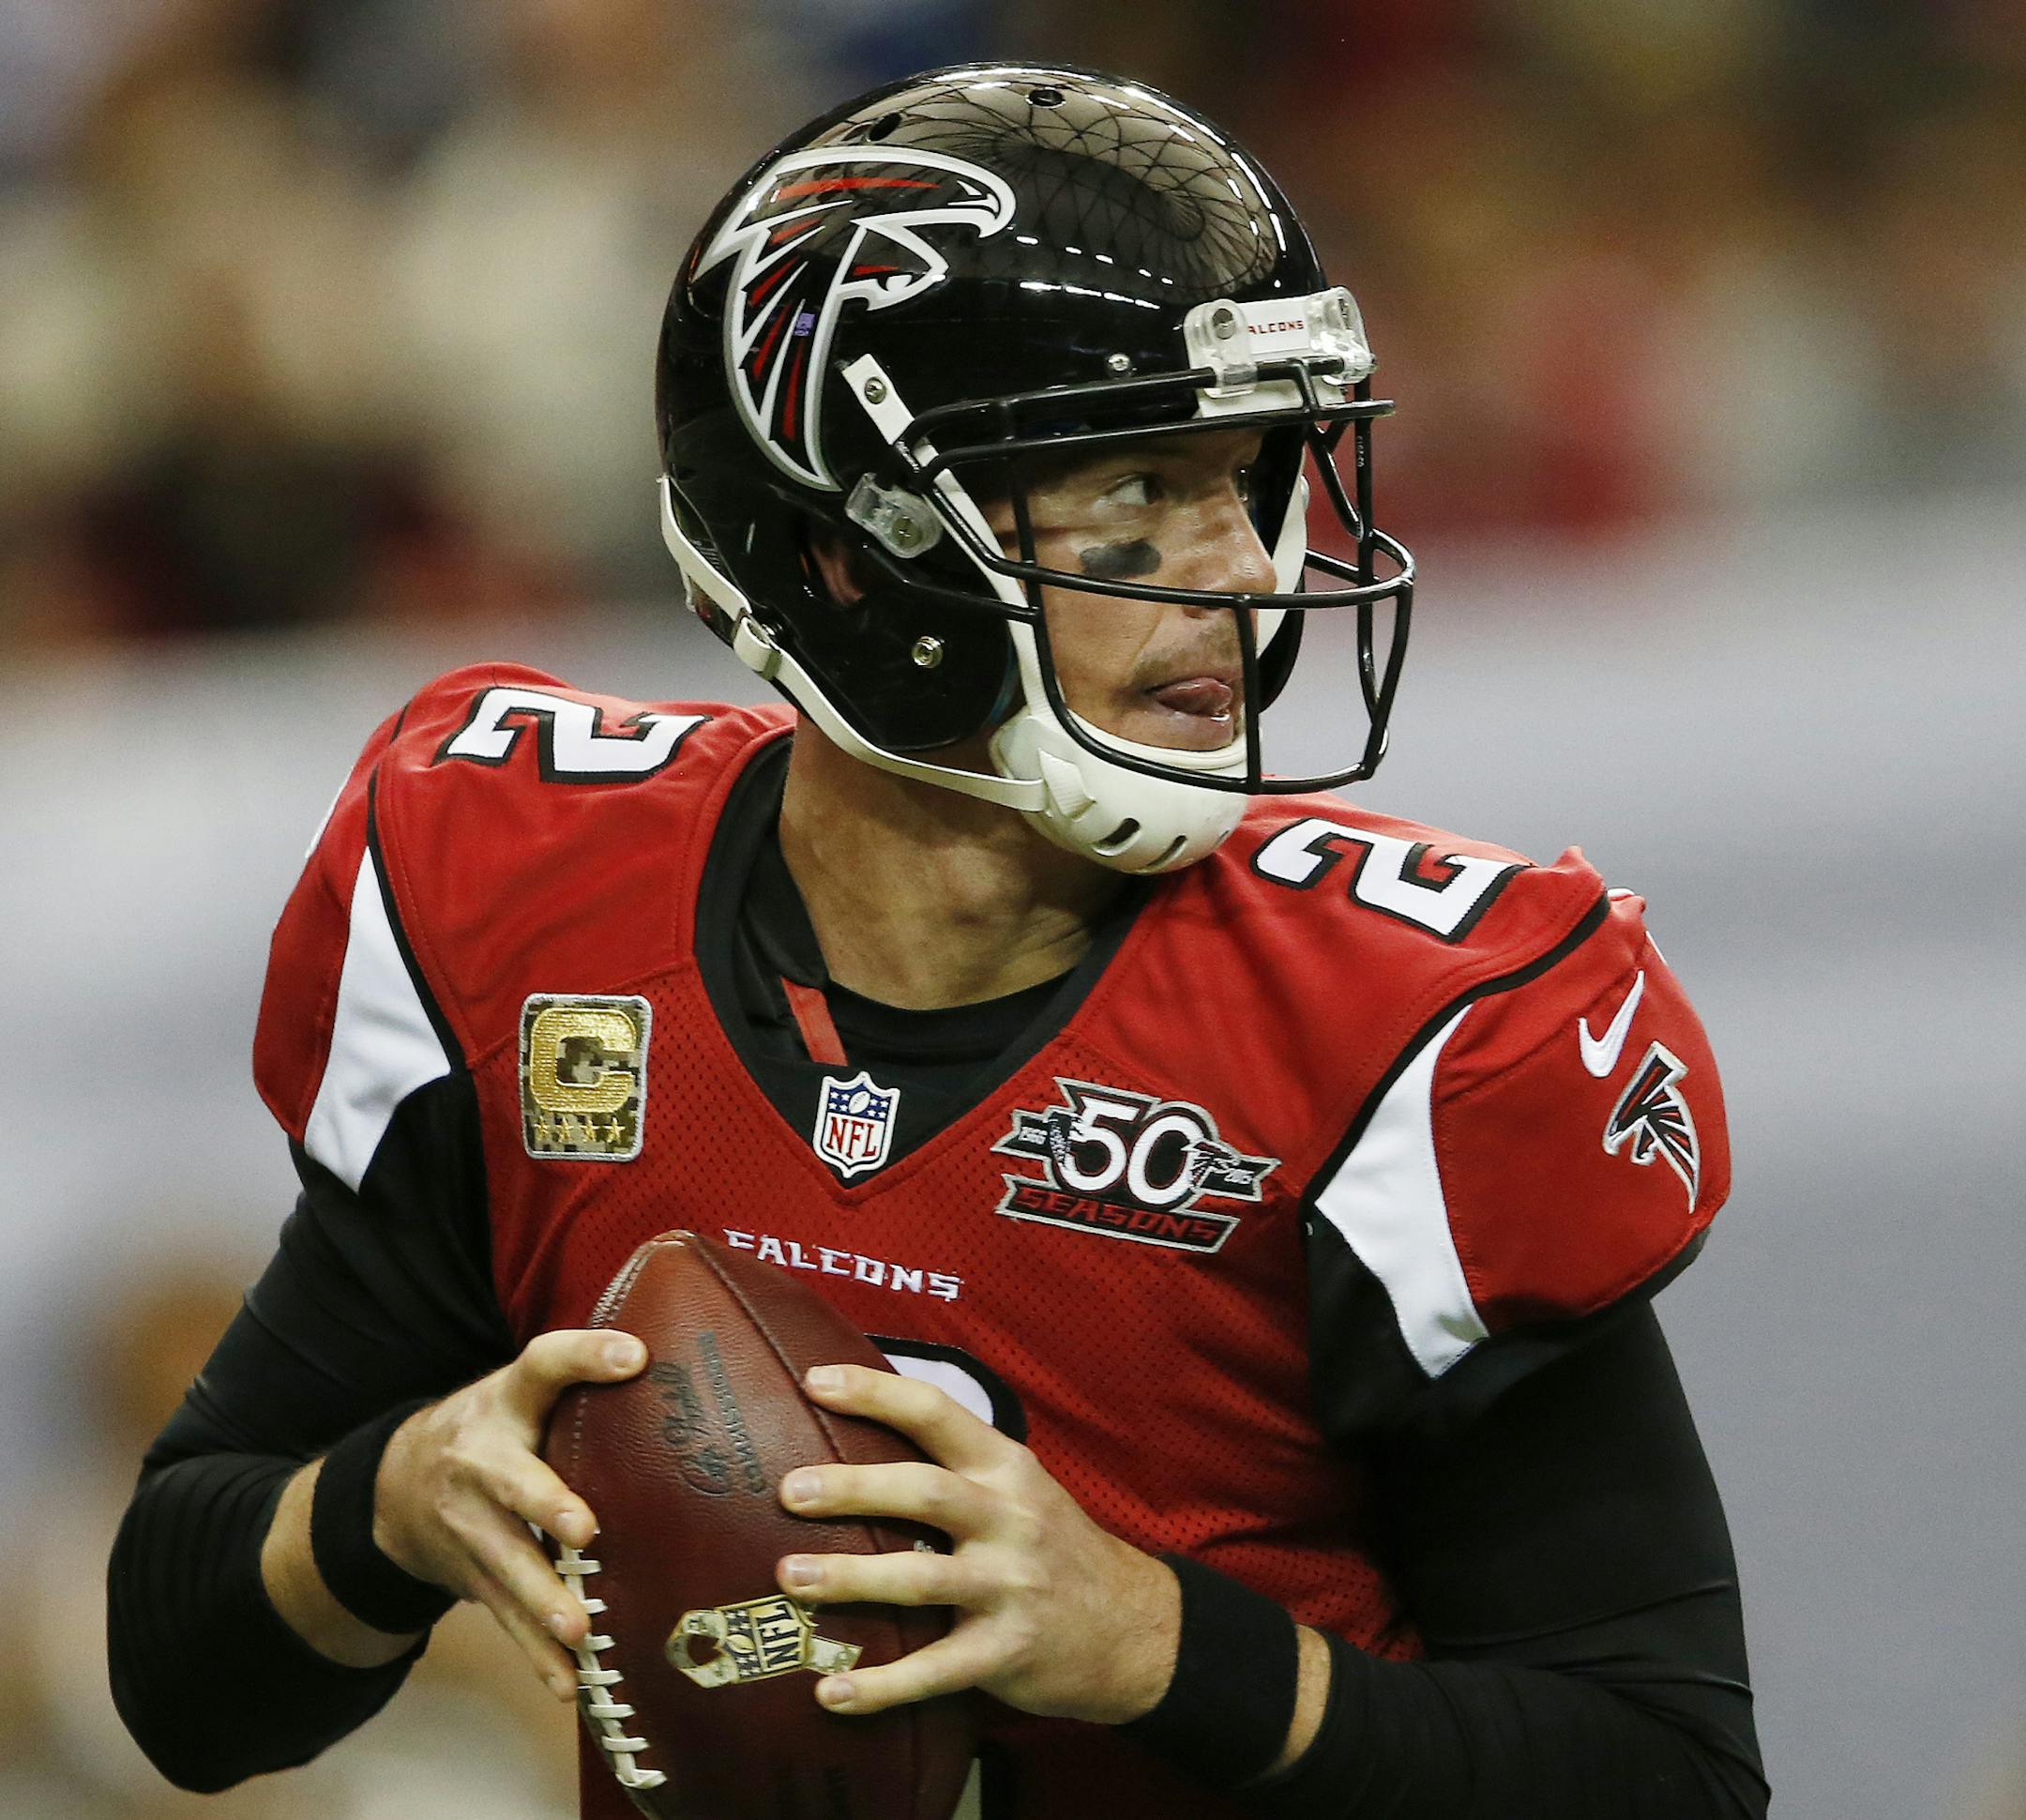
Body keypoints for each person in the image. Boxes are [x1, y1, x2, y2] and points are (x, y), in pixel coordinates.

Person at [108, 63, 1768, 1820]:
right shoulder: (522, 903)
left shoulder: (1409, 1033)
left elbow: (1666, 1775)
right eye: (1137, 494)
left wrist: (1157, 1646)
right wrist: (386, 1502)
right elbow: (181, 1680)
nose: (1250, 572)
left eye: (1251, 477)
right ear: (849, 558)